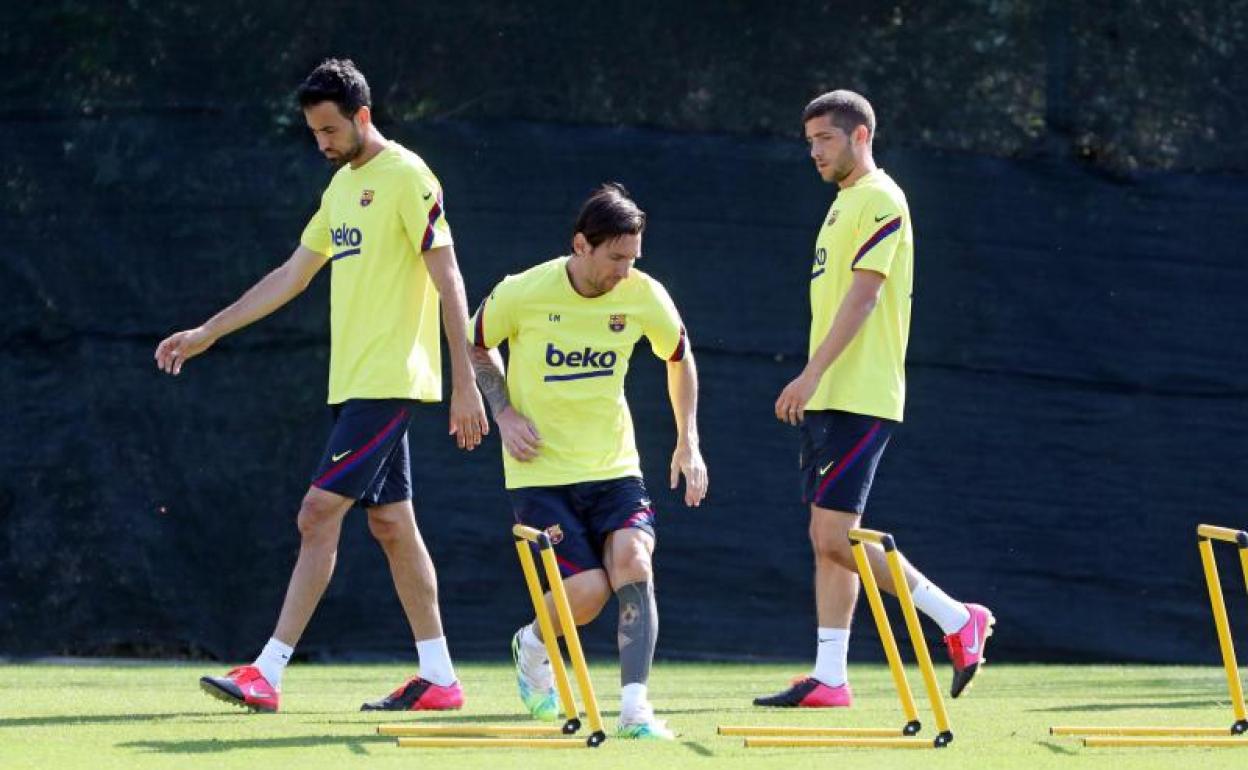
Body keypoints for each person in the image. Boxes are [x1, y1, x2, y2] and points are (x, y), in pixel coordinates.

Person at [154, 58, 487, 713]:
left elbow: (448, 277)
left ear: (363, 117)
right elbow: (290, 275)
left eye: (331, 129)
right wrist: (208, 332)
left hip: (391, 380)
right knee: (392, 525)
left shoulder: (408, 175)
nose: (323, 143)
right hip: (357, 382)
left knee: (316, 514)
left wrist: (466, 382)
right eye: (314, 132)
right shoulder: (339, 191)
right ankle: (439, 677)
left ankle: (268, 672)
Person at [756, 90, 993, 708]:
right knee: (827, 536)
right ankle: (830, 675)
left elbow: (864, 298)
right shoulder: (843, 205)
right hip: (832, 394)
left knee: (837, 538)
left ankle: (956, 618)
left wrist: (808, 376)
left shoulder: (882, 198)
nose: (813, 152)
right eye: (809, 142)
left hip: (859, 393)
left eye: (824, 140)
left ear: (860, 135)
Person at [468, 183, 708, 739]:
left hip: (614, 467)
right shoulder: (524, 290)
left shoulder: (645, 295)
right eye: (615, 257)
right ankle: (531, 644)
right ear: (582, 244)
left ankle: (634, 709)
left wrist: (687, 441)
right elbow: (476, 341)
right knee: (588, 593)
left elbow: (680, 357)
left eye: (633, 258)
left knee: (635, 564)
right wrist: (501, 410)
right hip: (540, 472)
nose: (625, 271)